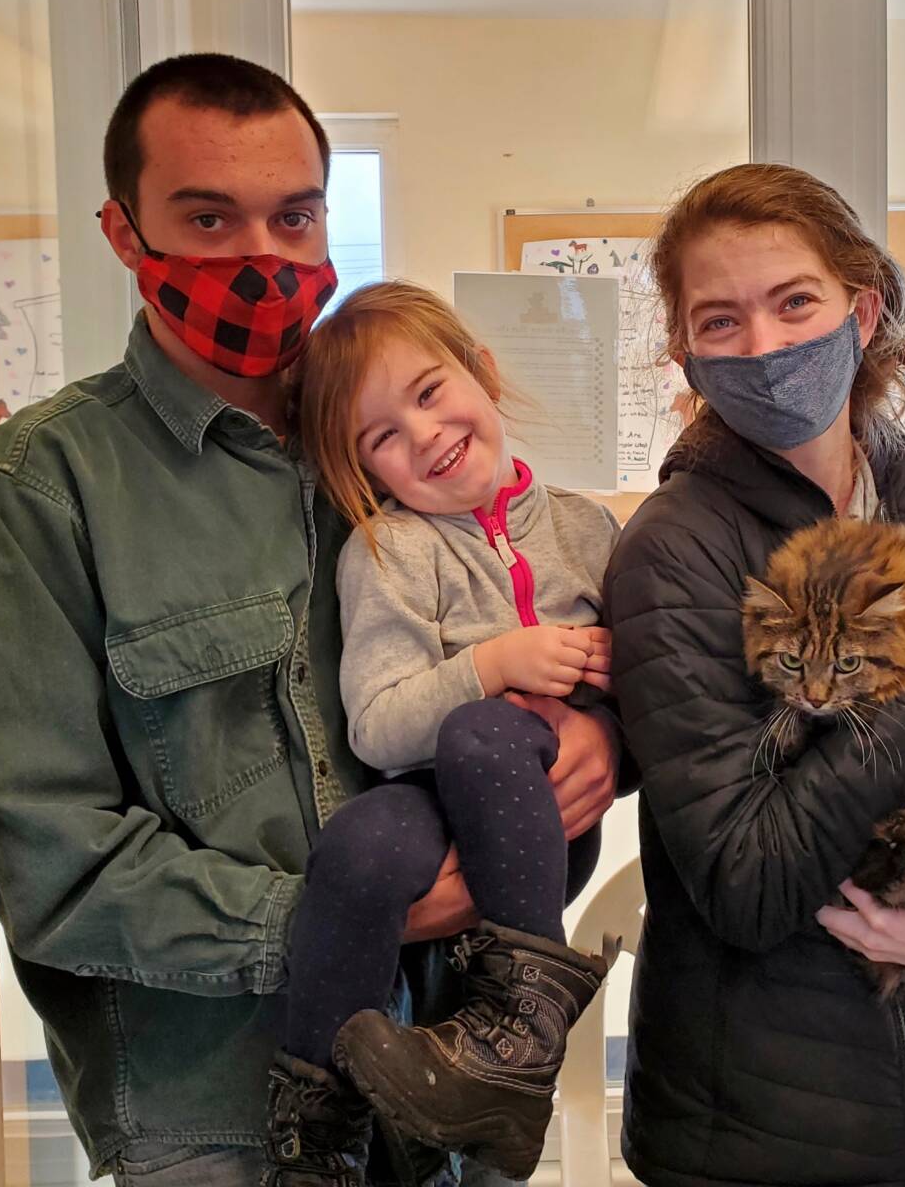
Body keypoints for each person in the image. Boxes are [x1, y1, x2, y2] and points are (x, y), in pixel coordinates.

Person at [0, 54, 620, 1187]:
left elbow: (549, 635)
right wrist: (354, 915)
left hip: (452, 1082)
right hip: (219, 1117)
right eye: (207, 219)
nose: (261, 256)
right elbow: (55, 864)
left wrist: (602, 743)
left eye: (295, 217)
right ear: (124, 233)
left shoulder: (393, 435)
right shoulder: (50, 482)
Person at [603, 162, 905, 1187]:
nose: (765, 346)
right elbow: (746, 885)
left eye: (794, 302)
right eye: (721, 321)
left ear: (863, 311)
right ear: (685, 351)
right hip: (752, 1143)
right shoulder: (675, 549)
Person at [281, 282, 619, 1178]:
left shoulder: (588, 529)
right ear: (367, 473)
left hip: (541, 822)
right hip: (431, 797)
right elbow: (376, 726)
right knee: (355, 846)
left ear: (484, 374)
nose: (425, 434)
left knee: (484, 732)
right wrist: (495, 663)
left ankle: (521, 1035)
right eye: (383, 437)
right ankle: (317, 1135)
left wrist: (613, 689)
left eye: (430, 393)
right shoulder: (387, 551)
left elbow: (651, 696)